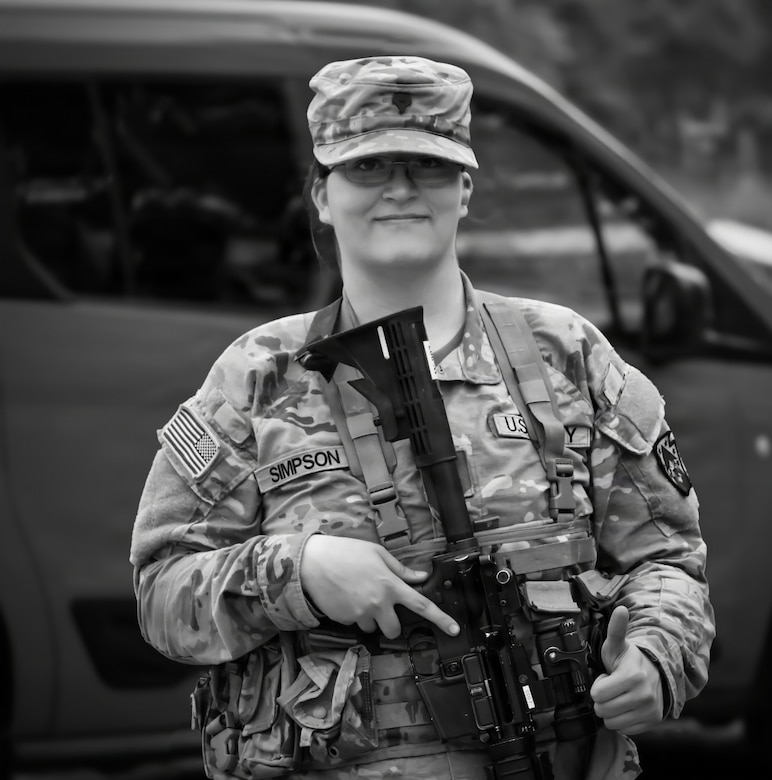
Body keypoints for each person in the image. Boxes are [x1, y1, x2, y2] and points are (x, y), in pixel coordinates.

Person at [130, 56, 715, 780]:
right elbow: (161, 594)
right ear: (321, 194)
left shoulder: (565, 355)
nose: (401, 188)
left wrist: (657, 654)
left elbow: (668, 561)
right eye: (369, 166)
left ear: (465, 189)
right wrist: (301, 571)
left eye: (428, 166)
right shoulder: (258, 376)